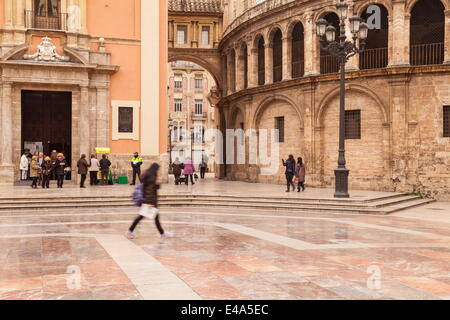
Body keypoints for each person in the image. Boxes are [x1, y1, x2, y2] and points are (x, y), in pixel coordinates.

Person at [127, 163, 170, 240]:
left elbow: (154, 188)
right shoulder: (151, 177)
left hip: (150, 201)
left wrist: (158, 183)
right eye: (158, 169)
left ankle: (162, 233)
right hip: (150, 201)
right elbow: (150, 191)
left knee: (147, 217)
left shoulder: (151, 176)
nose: (158, 171)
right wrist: (151, 203)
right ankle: (130, 230)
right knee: (141, 217)